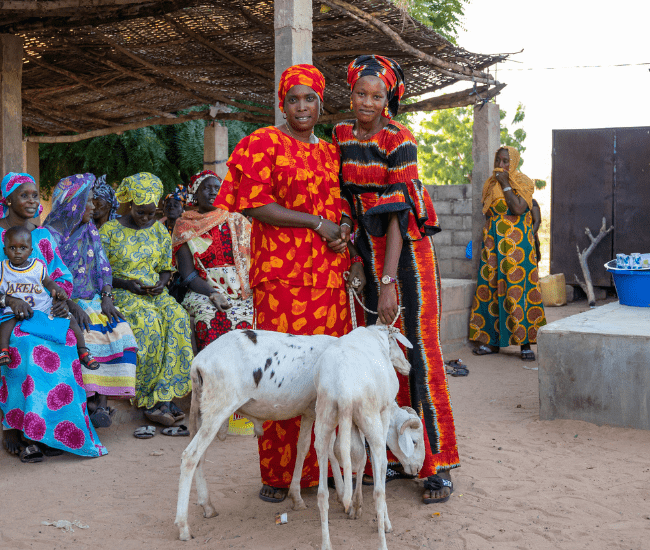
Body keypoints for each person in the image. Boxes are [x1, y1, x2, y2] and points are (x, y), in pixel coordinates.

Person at [215, 64, 351, 503]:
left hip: (328, 280)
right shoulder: (263, 143)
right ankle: (278, 474)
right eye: (293, 99)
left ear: (321, 101)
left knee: (327, 377)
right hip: (281, 279)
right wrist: (316, 223)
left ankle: (324, 469)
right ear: (282, 102)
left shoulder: (332, 152)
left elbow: (344, 203)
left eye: (309, 98)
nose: (302, 107)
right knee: (280, 376)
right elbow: (253, 205)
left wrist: (342, 229)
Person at [332, 55, 459, 504]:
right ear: (349, 94)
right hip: (367, 252)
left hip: (406, 257)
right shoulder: (341, 135)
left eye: (377, 96)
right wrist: (356, 257)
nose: (368, 103)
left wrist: (387, 280)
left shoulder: (399, 139)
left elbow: (401, 215)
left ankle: (436, 464)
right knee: (380, 362)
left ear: (390, 99)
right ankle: (394, 453)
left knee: (420, 357)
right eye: (361, 94)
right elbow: (345, 199)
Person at [0, 172, 106, 460]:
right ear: (8, 200)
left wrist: (62, 300)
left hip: (43, 311)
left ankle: (47, 431)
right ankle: (16, 426)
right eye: (25, 195)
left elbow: (60, 274)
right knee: (29, 348)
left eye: (35, 195)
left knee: (65, 341)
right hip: (7, 313)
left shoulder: (43, 236)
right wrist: (9, 299)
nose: (33, 200)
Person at [99, 172, 193, 429]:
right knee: (149, 322)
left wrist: (163, 282)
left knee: (178, 318)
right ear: (130, 205)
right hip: (122, 292)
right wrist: (127, 284)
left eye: (152, 213)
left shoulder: (159, 231)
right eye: (142, 212)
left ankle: (165, 395)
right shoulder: (109, 230)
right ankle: (147, 397)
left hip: (154, 292)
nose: (147, 218)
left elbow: (165, 266)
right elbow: (101, 273)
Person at [44, 174, 138, 429]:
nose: (94, 207)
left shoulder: (90, 230)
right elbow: (47, 278)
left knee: (119, 329)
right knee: (87, 332)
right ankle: (91, 404)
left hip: (93, 298)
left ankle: (102, 403)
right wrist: (71, 305)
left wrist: (106, 298)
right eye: (88, 202)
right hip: (60, 302)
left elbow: (103, 267)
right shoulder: (48, 236)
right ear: (73, 203)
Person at [469, 146, 547, 360]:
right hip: (494, 244)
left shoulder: (522, 181)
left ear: (513, 163)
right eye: (498, 160)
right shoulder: (489, 184)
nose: (501, 165)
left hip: (517, 247)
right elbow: (488, 214)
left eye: (505, 161)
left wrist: (505, 185)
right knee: (490, 288)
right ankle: (491, 343)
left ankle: (525, 344)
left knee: (517, 290)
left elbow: (519, 208)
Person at [172, 170, 253, 351]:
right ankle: (211, 374)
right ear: (195, 193)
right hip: (203, 290)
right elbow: (188, 274)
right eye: (206, 188)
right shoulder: (184, 226)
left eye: (217, 188)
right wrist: (212, 293)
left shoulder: (237, 220)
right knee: (208, 317)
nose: (213, 192)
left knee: (257, 317)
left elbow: (254, 260)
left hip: (242, 291)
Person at [0, 225, 99, 371]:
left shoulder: (37, 266)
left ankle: (83, 351)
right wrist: (8, 301)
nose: (18, 252)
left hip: (42, 305)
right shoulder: (3, 268)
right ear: (5, 251)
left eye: (23, 248)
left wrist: (58, 291)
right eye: (13, 248)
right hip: (16, 308)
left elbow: (48, 282)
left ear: (30, 251)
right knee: (6, 323)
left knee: (70, 320)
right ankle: (3, 351)